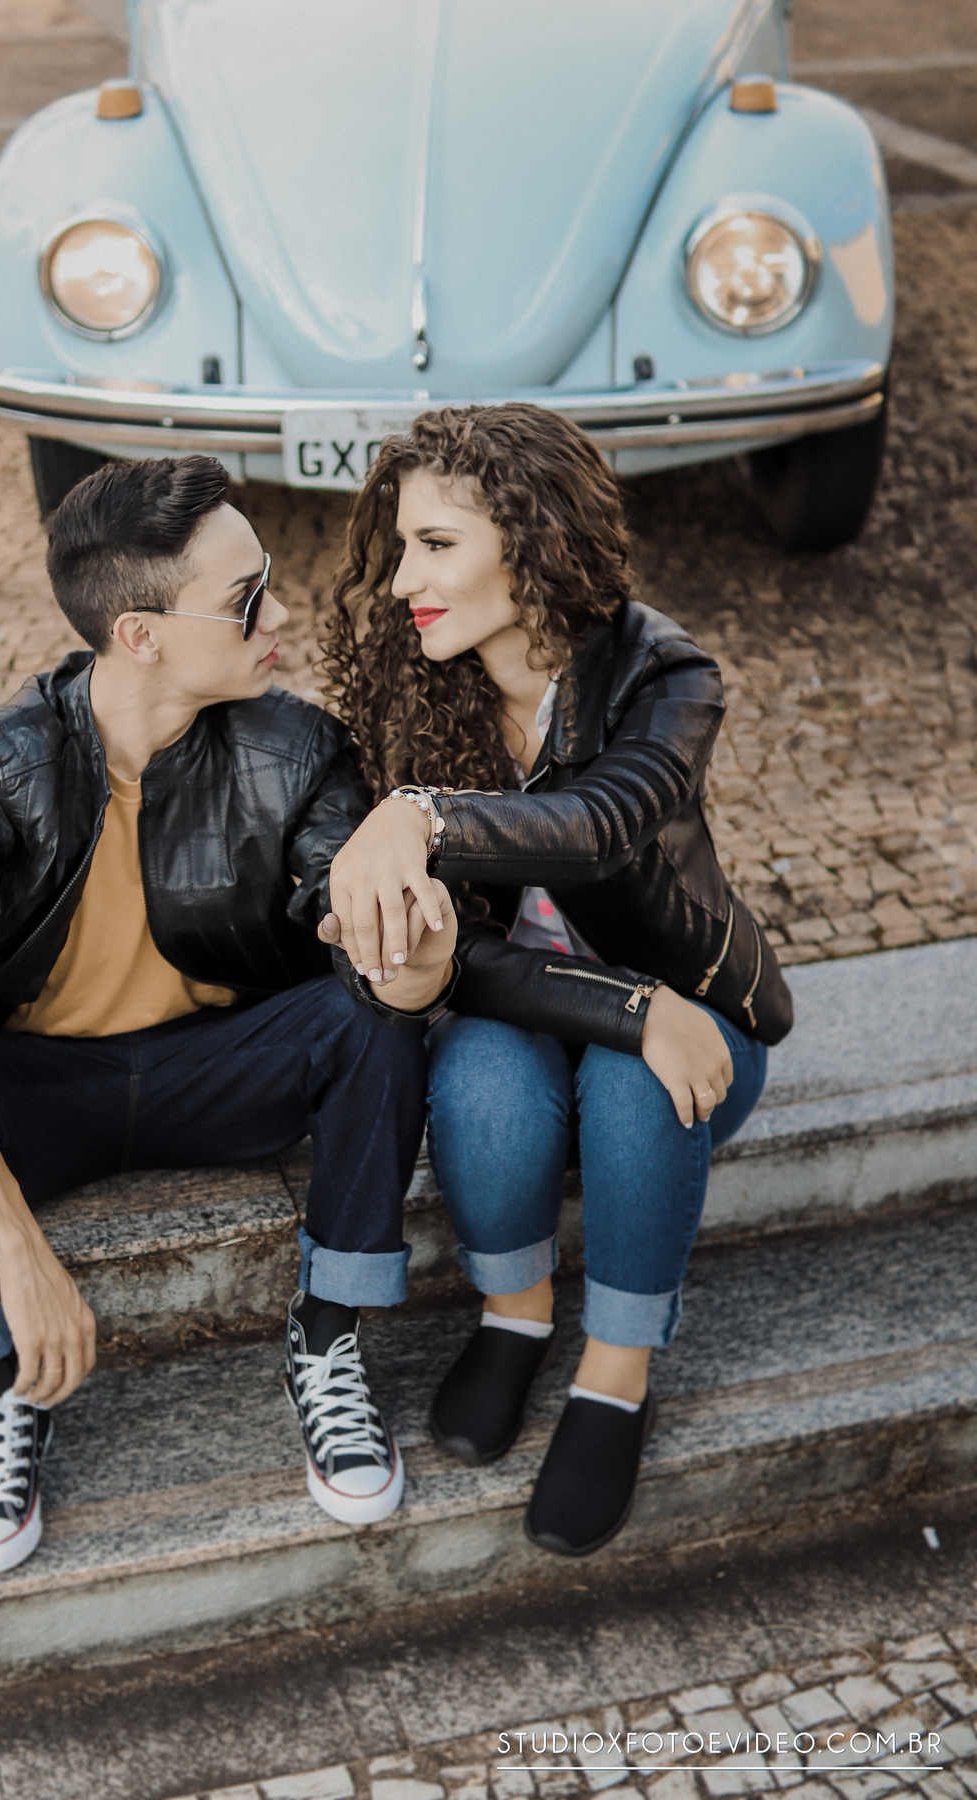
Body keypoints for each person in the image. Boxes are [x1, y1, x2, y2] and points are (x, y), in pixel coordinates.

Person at [0, 455, 456, 1577]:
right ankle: (3, 1385)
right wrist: (23, 1256)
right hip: (44, 1090)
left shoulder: (297, 748)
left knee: (367, 1021)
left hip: (221, 1071)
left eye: (268, 583)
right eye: (245, 599)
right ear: (140, 635)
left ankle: (326, 1340)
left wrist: (410, 960)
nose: (280, 615)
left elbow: (360, 942)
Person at [318, 403, 793, 1558]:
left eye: (436, 545)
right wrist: (628, 1007)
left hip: (698, 1020)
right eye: (401, 547)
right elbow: (455, 960)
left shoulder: (664, 670)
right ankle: (515, 1314)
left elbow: (600, 827)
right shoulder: (409, 683)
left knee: (638, 1081)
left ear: (532, 540)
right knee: (480, 1072)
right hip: (523, 1011)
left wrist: (424, 816)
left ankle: (615, 1377)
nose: (401, 582)